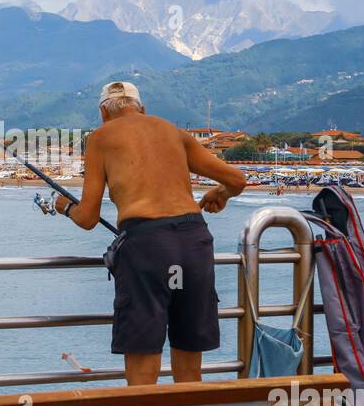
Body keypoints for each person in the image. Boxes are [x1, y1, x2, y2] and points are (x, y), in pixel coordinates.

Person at [55, 80, 246, 386]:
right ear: (141, 108)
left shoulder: (100, 137)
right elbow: (236, 180)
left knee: (144, 366)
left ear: (103, 112)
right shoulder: (173, 131)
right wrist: (219, 194)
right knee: (188, 364)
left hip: (148, 247)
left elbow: (88, 217)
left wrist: (64, 207)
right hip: (192, 243)